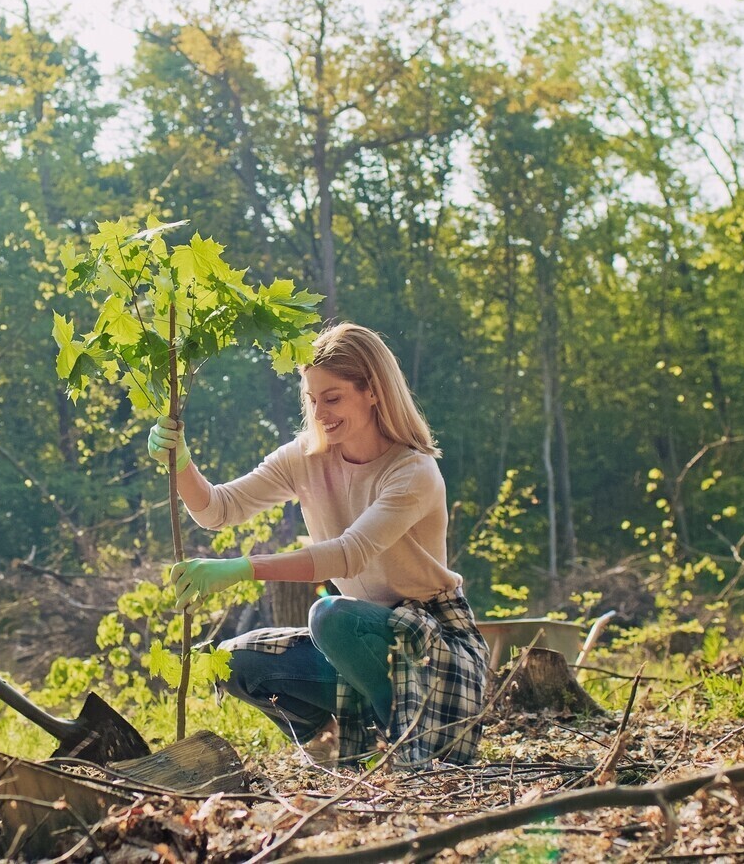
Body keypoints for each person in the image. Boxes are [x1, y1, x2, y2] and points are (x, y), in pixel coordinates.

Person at [149, 323, 491, 769]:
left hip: (429, 648)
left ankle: (404, 739)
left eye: (333, 398)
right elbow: (218, 509)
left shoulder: (413, 472)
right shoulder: (305, 457)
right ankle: (338, 741)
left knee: (330, 615)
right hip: (354, 645)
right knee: (232, 661)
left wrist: (240, 569)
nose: (320, 413)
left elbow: (349, 553)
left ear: (372, 391)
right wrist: (181, 465)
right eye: (312, 400)